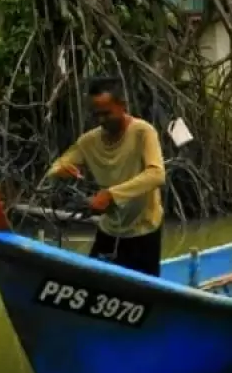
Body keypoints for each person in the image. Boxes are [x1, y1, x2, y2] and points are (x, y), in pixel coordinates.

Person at [48, 77, 166, 277]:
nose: (101, 120)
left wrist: (111, 195)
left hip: (144, 231)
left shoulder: (143, 132)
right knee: (93, 283)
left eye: (106, 113)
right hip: (109, 230)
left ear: (123, 106)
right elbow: (55, 167)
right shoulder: (89, 141)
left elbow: (156, 174)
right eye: (96, 114)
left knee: (142, 295)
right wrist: (61, 170)